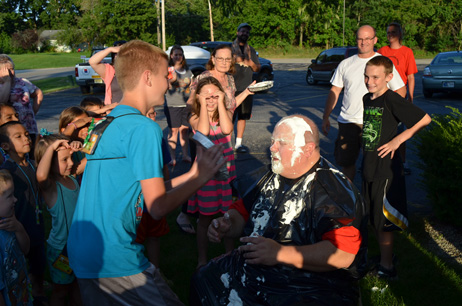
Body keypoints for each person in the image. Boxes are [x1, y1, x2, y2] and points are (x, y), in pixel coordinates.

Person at [67, 40, 225, 305]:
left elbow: (144, 184)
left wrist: (193, 173)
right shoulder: (144, 128)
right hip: (113, 256)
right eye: (165, 75)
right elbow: (158, 206)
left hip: (86, 248)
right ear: (147, 77)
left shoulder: (105, 123)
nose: (169, 82)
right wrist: (201, 178)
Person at [191, 115, 368, 305]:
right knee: (204, 279)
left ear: (307, 149)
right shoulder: (270, 175)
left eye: (281, 143)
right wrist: (227, 223)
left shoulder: (333, 190)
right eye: (272, 142)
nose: (272, 148)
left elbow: (343, 254)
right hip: (257, 269)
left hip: (312, 282)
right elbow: (242, 212)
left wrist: (280, 254)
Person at [362, 56, 431, 279]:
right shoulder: (367, 98)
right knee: (372, 217)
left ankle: (387, 268)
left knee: (384, 221)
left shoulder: (391, 99)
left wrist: (397, 141)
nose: (369, 81)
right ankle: (386, 257)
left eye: (375, 77)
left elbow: (424, 119)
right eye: (366, 76)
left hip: (386, 169)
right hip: (369, 166)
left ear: (389, 78)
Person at [322, 25, 406, 181]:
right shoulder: (345, 64)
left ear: (375, 40)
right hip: (348, 122)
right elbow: (335, 91)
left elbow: (401, 90)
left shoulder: (383, 63)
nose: (363, 42)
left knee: (374, 166)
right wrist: (326, 116)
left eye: (367, 38)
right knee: (346, 164)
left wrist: (392, 116)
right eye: (360, 38)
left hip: (375, 121)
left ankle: (372, 202)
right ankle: (349, 200)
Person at [188, 77, 236, 269]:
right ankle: (202, 258)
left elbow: (226, 129)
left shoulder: (225, 113)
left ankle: (229, 255)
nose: (210, 99)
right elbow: (204, 132)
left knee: (227, 216)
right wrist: (200, 104)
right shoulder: (194, 116)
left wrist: (222, 103)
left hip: (225, 172)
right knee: (205, 218)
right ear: (199, 98)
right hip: (207, 175)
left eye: (214, 96)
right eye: (206, 96)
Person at [0, 121, 48, 304]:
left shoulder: (32, 164)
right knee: (18, 270)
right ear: (5, 146)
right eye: (18, 136)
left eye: (27, 134)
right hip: (17, 227)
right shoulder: (7, 171)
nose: (26, 138)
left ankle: (38, 294)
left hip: (36, 226)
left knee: (38, 268)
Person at [35, 135, 84, 306]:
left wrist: (81, 146)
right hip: (60, 250)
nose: (71, 163)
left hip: (78, 245)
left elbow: (92, 157)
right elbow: (41, 175)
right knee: (61, 291)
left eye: (70, 158)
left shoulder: (71, 177)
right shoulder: (50, 187)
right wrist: (52, 146)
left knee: (77, 285)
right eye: (64, 160)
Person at [378, 22, 418, 174]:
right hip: (383, 96)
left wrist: (411, 97)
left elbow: (411, 77)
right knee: (381, 129)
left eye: (393, 32)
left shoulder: (407, 52)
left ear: (400, 34)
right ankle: (380, 160)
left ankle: (403, 162)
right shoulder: (382, 51)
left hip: (399, 96)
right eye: (388, 32)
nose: (390, 35)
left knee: (400, 131)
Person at [134, 107, 171, 268]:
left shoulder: (158, 139)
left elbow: (165, 167)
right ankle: (139, 271)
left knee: (154, 236)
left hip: (156, 196)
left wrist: (166, 190)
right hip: (137, 200)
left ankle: (156, 270)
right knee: (137, 238)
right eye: (145, 115)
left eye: (152, 114)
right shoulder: (133, 141)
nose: (150, 118)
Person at [0, 54, 44, 158]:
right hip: (10, 132)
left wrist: (33, 111)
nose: (11, 73)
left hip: (29, 127)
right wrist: (6, 82)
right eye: (7, 70)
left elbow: (38, 93)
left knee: (33, 156)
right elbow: (2, 101)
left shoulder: (22, 82)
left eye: (12, 69)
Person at [0, 169, 33, 306]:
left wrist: (19, 228)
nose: (16, 199)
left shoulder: (11, 221)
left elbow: (26, 249)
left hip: (22, 294)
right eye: (10, 196)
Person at [231, 23, 261, 154]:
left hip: (247, 89)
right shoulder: (229, 48)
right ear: (238, 32)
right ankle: (226, 143)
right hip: (230, 88)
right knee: (228, 117)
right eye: (243, 31)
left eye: (247, 32)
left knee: (242, 117)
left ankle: (238, 144)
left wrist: (249, 62)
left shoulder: (251, 50)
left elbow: (257, 68)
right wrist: (234, 59)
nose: (245, 34)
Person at [166, 45, 192, 166]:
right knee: (174, 131)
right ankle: (172, 157)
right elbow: (167, 84)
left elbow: (192, 85)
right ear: (171, 56)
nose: (178, 56)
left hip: (186, 105)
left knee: (184, 131)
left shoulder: (187, 70)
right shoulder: (168, 70)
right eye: (175, 54)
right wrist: (171, 80)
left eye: (180, 54)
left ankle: (186, 155)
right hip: (173, 105)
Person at [88, 40, 127, 105]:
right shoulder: (109, 70)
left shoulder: (136, 69)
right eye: (116, 54)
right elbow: (92, 62)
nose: (119, 57)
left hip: (134, 111)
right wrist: (109, 49)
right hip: (114, 111)